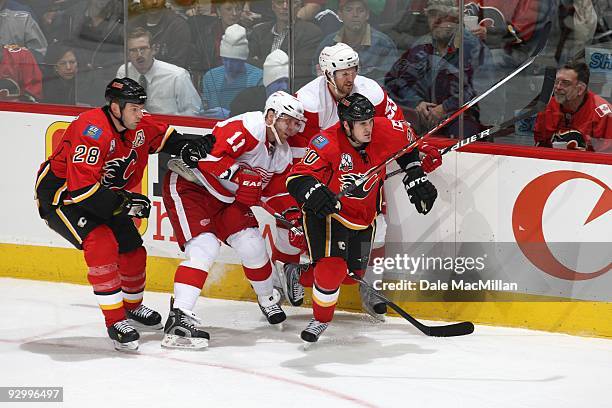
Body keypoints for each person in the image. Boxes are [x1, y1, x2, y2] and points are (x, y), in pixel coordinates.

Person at [34, 77, 215, 351]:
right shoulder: (92, 130)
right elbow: (82, 189)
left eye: (142, 107)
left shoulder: (137, 123)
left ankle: (132, 308)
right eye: (134, 108)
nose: (140, 114)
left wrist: (190, 145)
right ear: (115, 108)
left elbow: (166, 138)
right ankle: (115, 321)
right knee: (102, 244)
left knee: (132, 250)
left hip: (103, 194)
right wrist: (124, 202)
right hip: (64, 197)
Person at [269, 43, 436, 321]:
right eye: (342, 72)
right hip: (322, 173)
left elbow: (397, 134)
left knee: (378, 229)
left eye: (353, 70)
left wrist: (414, 165)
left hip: (361, 172)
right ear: (326, 74)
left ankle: (371, 288)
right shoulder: (309, 102)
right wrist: (309, 193)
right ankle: (282, 278)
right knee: (291, 231)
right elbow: (296, 154)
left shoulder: (371, 92)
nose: (350, 78)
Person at [285, 93, 439, 342]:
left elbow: (408, 146)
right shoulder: (327, 143)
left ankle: (298, 273)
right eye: (362, 124)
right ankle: (320, 320)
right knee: (332, 270)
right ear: (346, 125)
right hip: (327, 214)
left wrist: (415, 172)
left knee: (349, 275)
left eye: (370, 121)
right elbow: (297, 177)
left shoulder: (385, 129)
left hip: (364, 215)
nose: (369, 128)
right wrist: (313, 192)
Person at [161, 91, 307, 349]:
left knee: (253, 245)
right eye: (288, 121)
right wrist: (241, 176)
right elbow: (207, 155)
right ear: (271, 115)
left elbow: (276, 191)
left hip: (225, 198)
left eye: (296, 123)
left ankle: (267, 298)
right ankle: (179, 316)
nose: (292, 128)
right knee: (205, 248)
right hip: (192, 188)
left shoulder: (281, 153)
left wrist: (293, 217)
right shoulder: (248, 127)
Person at [116, 27, 202, 116]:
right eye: (133, 50)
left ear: (154, 49)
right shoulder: (124, 71)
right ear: (127, 54)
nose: (139, 55)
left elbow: (194, 112)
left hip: (168, 126)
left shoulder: (177, 76)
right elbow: (117, 105)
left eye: (143, 49)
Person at [314, 0, 398, 85]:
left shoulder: (382, 43)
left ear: (367, 15)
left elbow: (390, 81)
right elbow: (317, 79)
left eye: (360, 10)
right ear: (340, 15)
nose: (355, 15)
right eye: (349, 10)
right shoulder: (328, 43)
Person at [534, 61, 611, 152]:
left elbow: (606, 157)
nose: (558, 87)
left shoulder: (603, 114)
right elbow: (541, 147)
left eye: (565, 83)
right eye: (556, 82)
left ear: (580, 89)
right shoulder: (547, 107)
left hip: (588, 164)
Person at [248, 0, 322, 89]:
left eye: (291, 3)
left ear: (299, 6)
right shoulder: (259, 31)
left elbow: (301, 69)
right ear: (273, 6)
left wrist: (260, 63)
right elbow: (248, 64)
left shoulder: (311, 32)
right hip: (257, 86)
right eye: (279, 2)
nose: (285, 6)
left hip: (290, 89)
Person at [201, 23, 263, 118]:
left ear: (244, 59)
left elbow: (261, 117)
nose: (229, 65)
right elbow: (204, 108)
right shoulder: (210, 77)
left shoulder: (258, 78)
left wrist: (231, 115)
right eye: (225, 59)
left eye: (235, 61)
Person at [129, 0, 192, 68]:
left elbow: (177, 65)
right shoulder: (132, 25)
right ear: (141, 1)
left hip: (168, 75)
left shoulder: (177, 25)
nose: (154, 2)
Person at [230, 49, 289, 116]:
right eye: (279, 82)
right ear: (268, 82)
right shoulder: (246, 100)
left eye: (286, 81)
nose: (285, 87)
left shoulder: (291, 103)